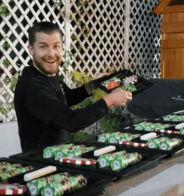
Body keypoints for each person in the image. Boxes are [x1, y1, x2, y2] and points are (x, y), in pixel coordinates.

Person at [14, 22, 132, 152]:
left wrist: (91, 85)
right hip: (41, 164)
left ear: (62, 48)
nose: (51, 54)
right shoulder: (33, 86)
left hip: (61, 154)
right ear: (31, 49)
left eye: (56, 46)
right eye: (43, 47)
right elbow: (70, 121)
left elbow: (66, 98)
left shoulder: (47, 75)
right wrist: (109, 101)